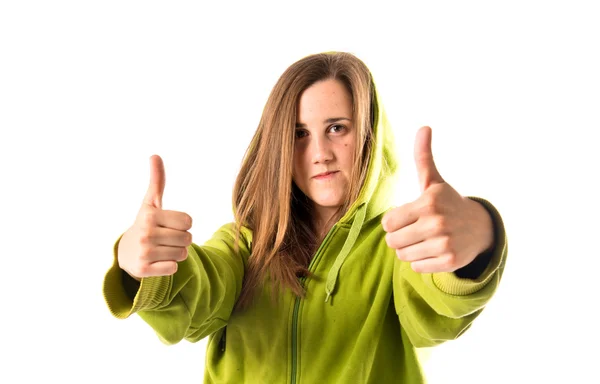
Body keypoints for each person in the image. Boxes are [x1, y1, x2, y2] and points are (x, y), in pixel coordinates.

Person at [103, 51, 507, 383]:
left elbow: (436, 312)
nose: (319, 153)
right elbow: (195, 293)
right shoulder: (245, 247)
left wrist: (477, 242)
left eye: (336, 128)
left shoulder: (397, 244)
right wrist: (144, 267)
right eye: (299, 134)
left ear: (368, 134)